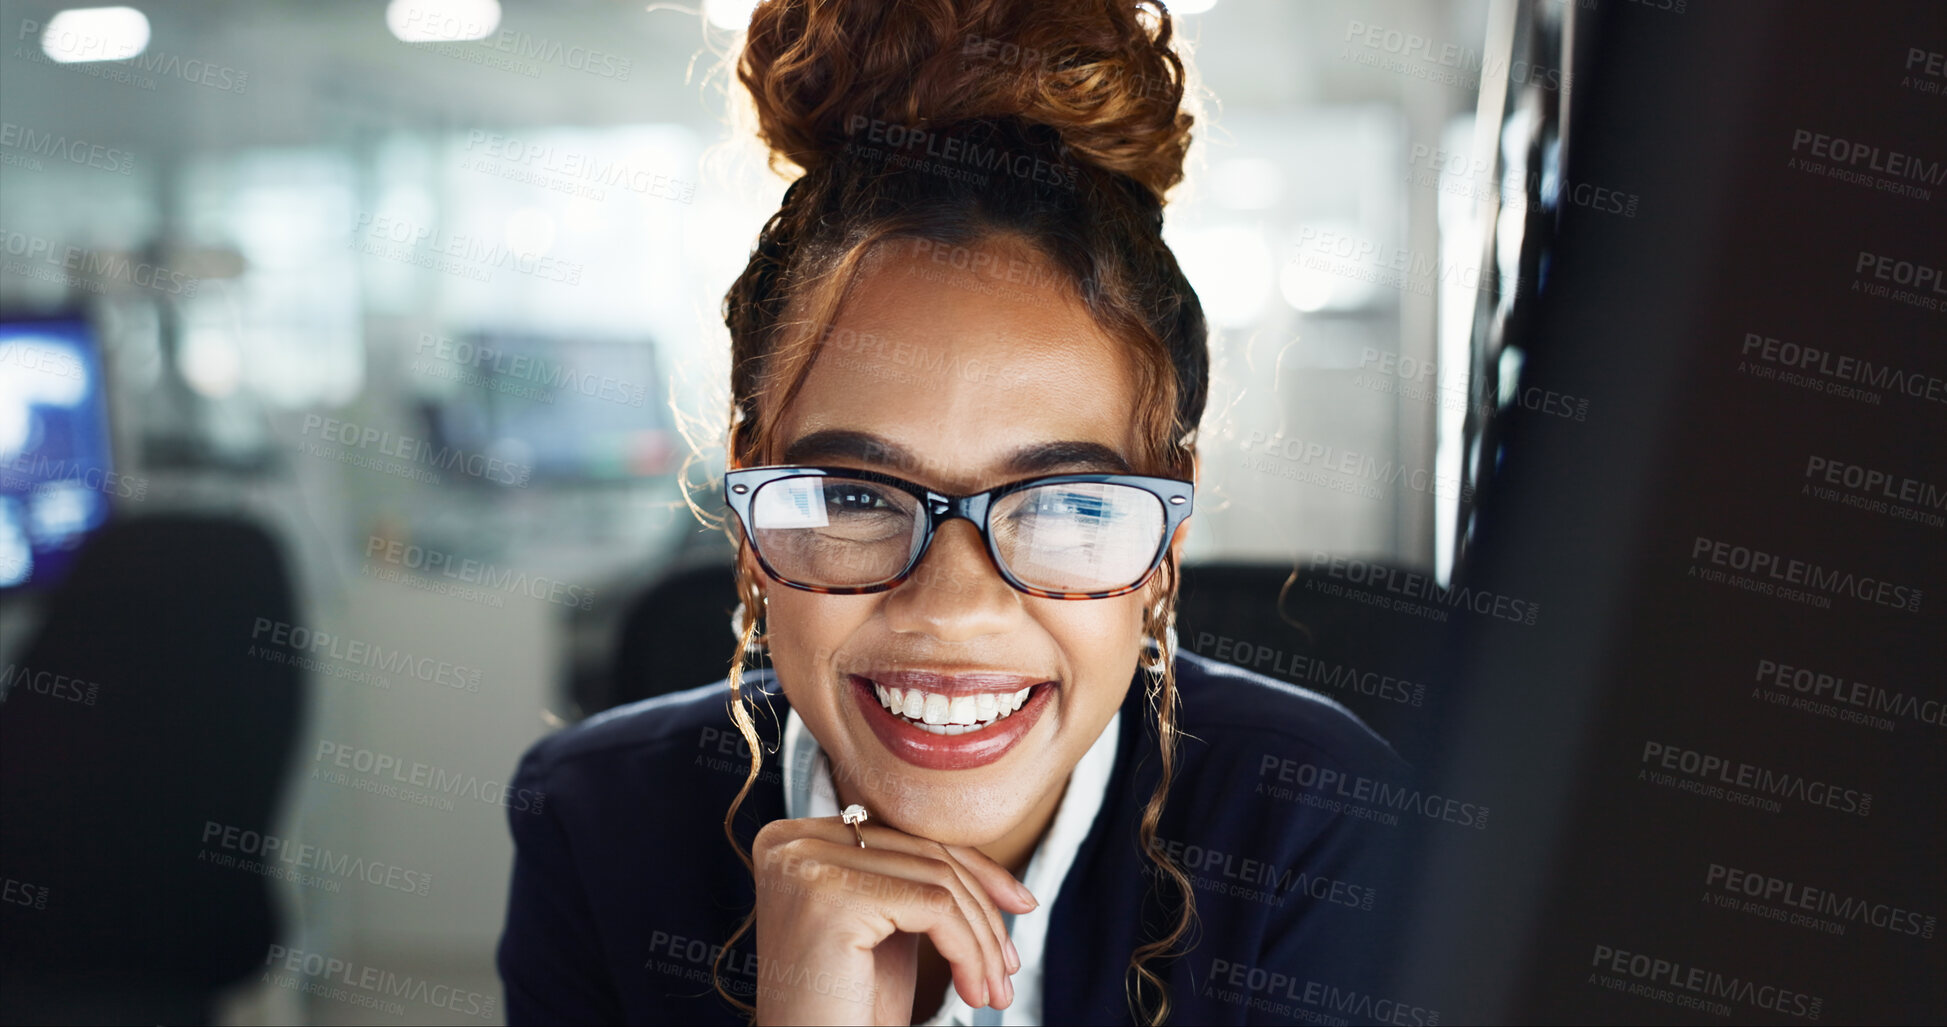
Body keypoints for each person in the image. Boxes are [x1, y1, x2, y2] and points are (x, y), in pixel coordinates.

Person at [496, 1, 1404, 1022]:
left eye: (1069, 501)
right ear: (749, 510)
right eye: (852, 494)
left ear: (1168, 537)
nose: (953, 608)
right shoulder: (593, 820)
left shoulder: (1316, 825)